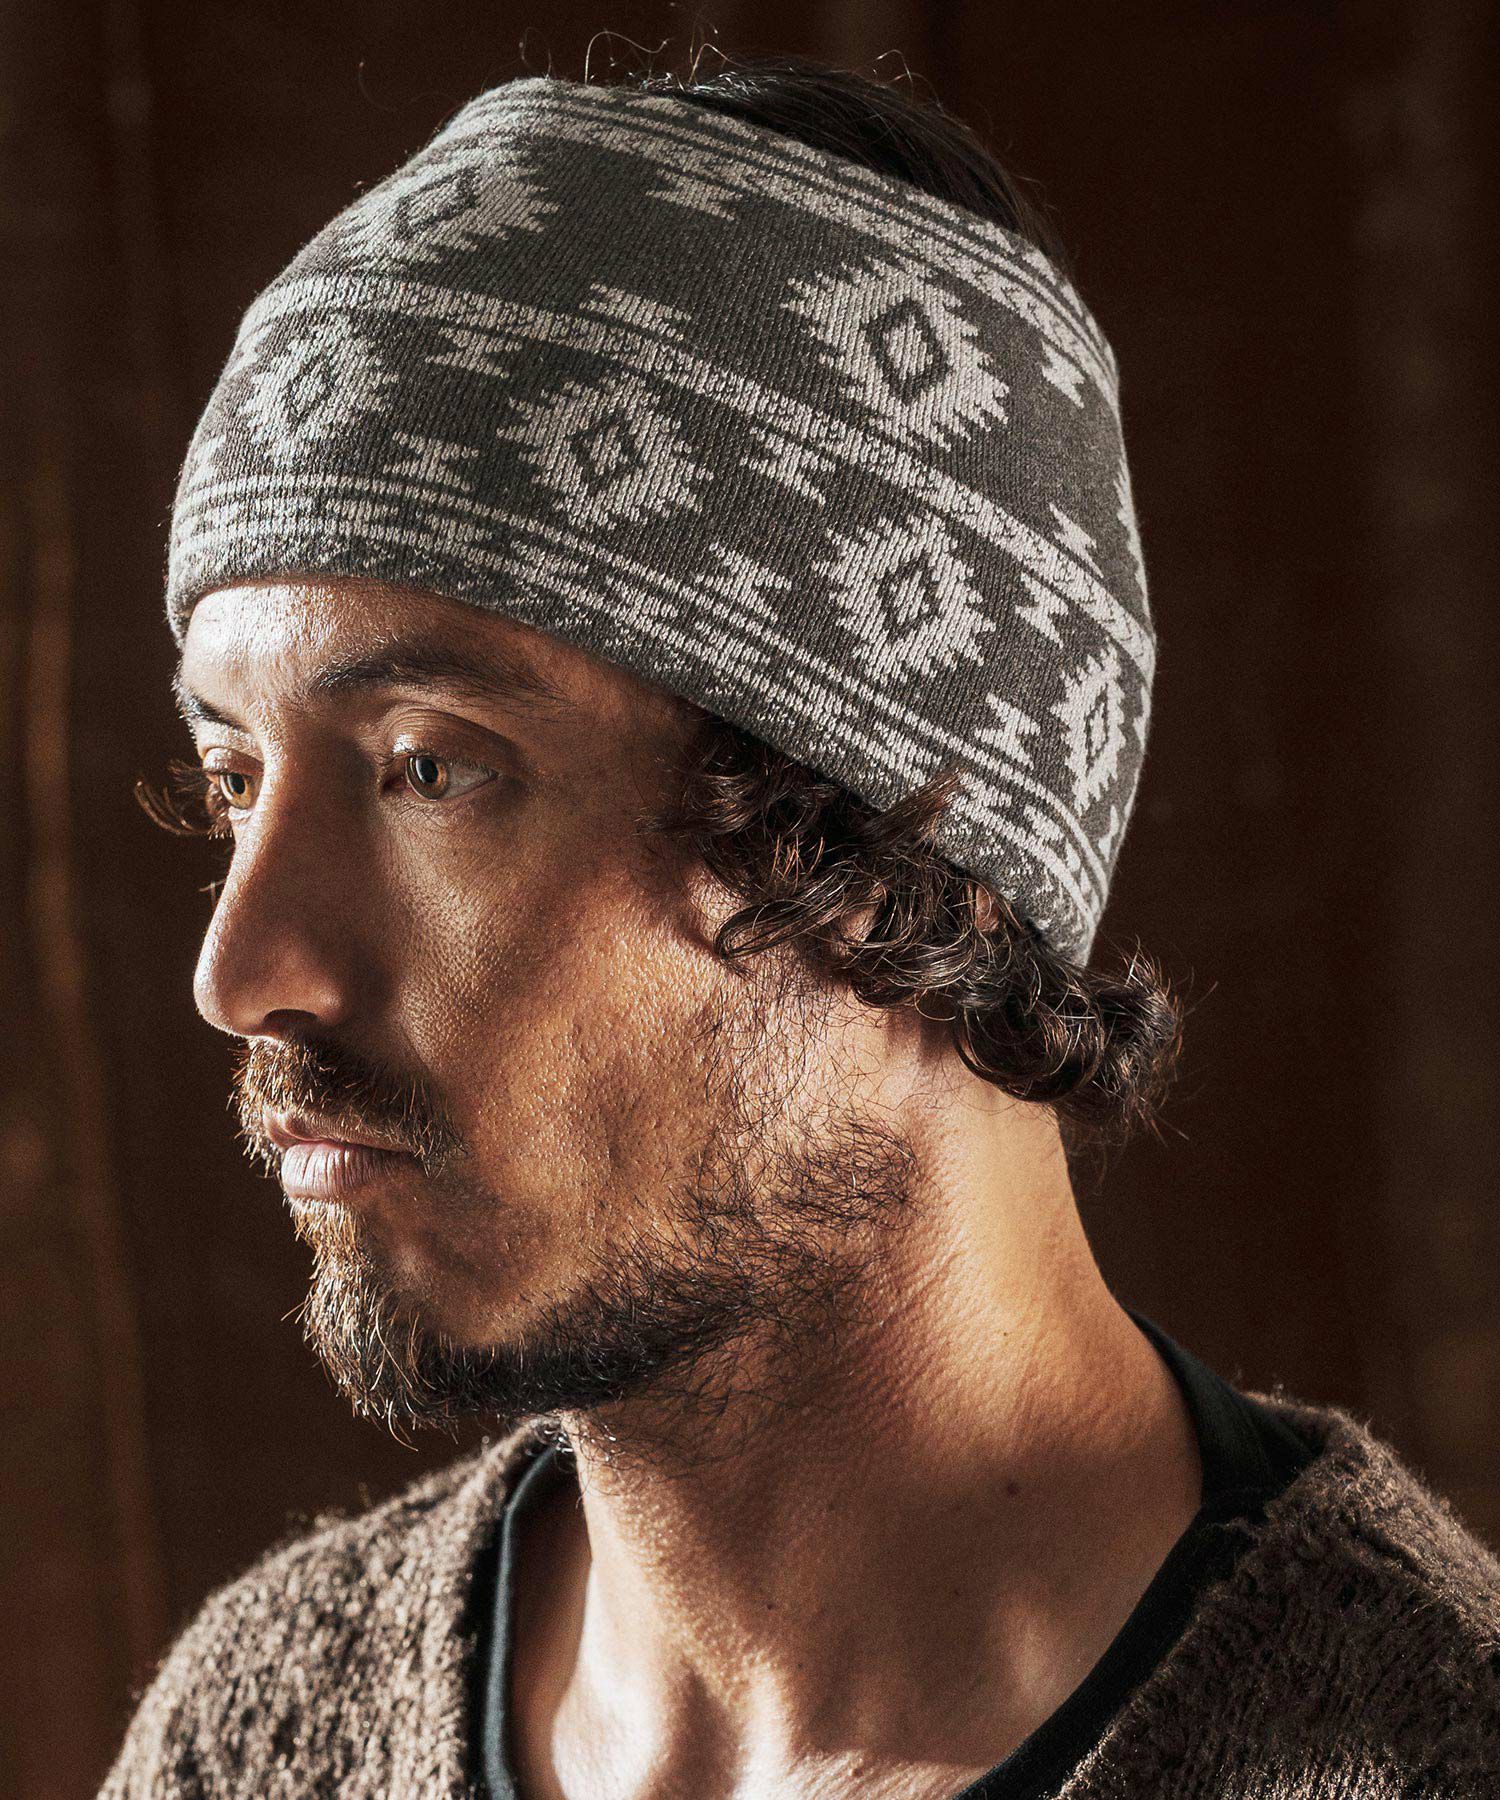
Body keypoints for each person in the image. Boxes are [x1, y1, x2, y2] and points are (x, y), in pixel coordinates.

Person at [101, 51, 1498, 1800]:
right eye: (234, 778)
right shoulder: (253, 1738)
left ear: (914, 856)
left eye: (428, 769)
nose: (241, 973)